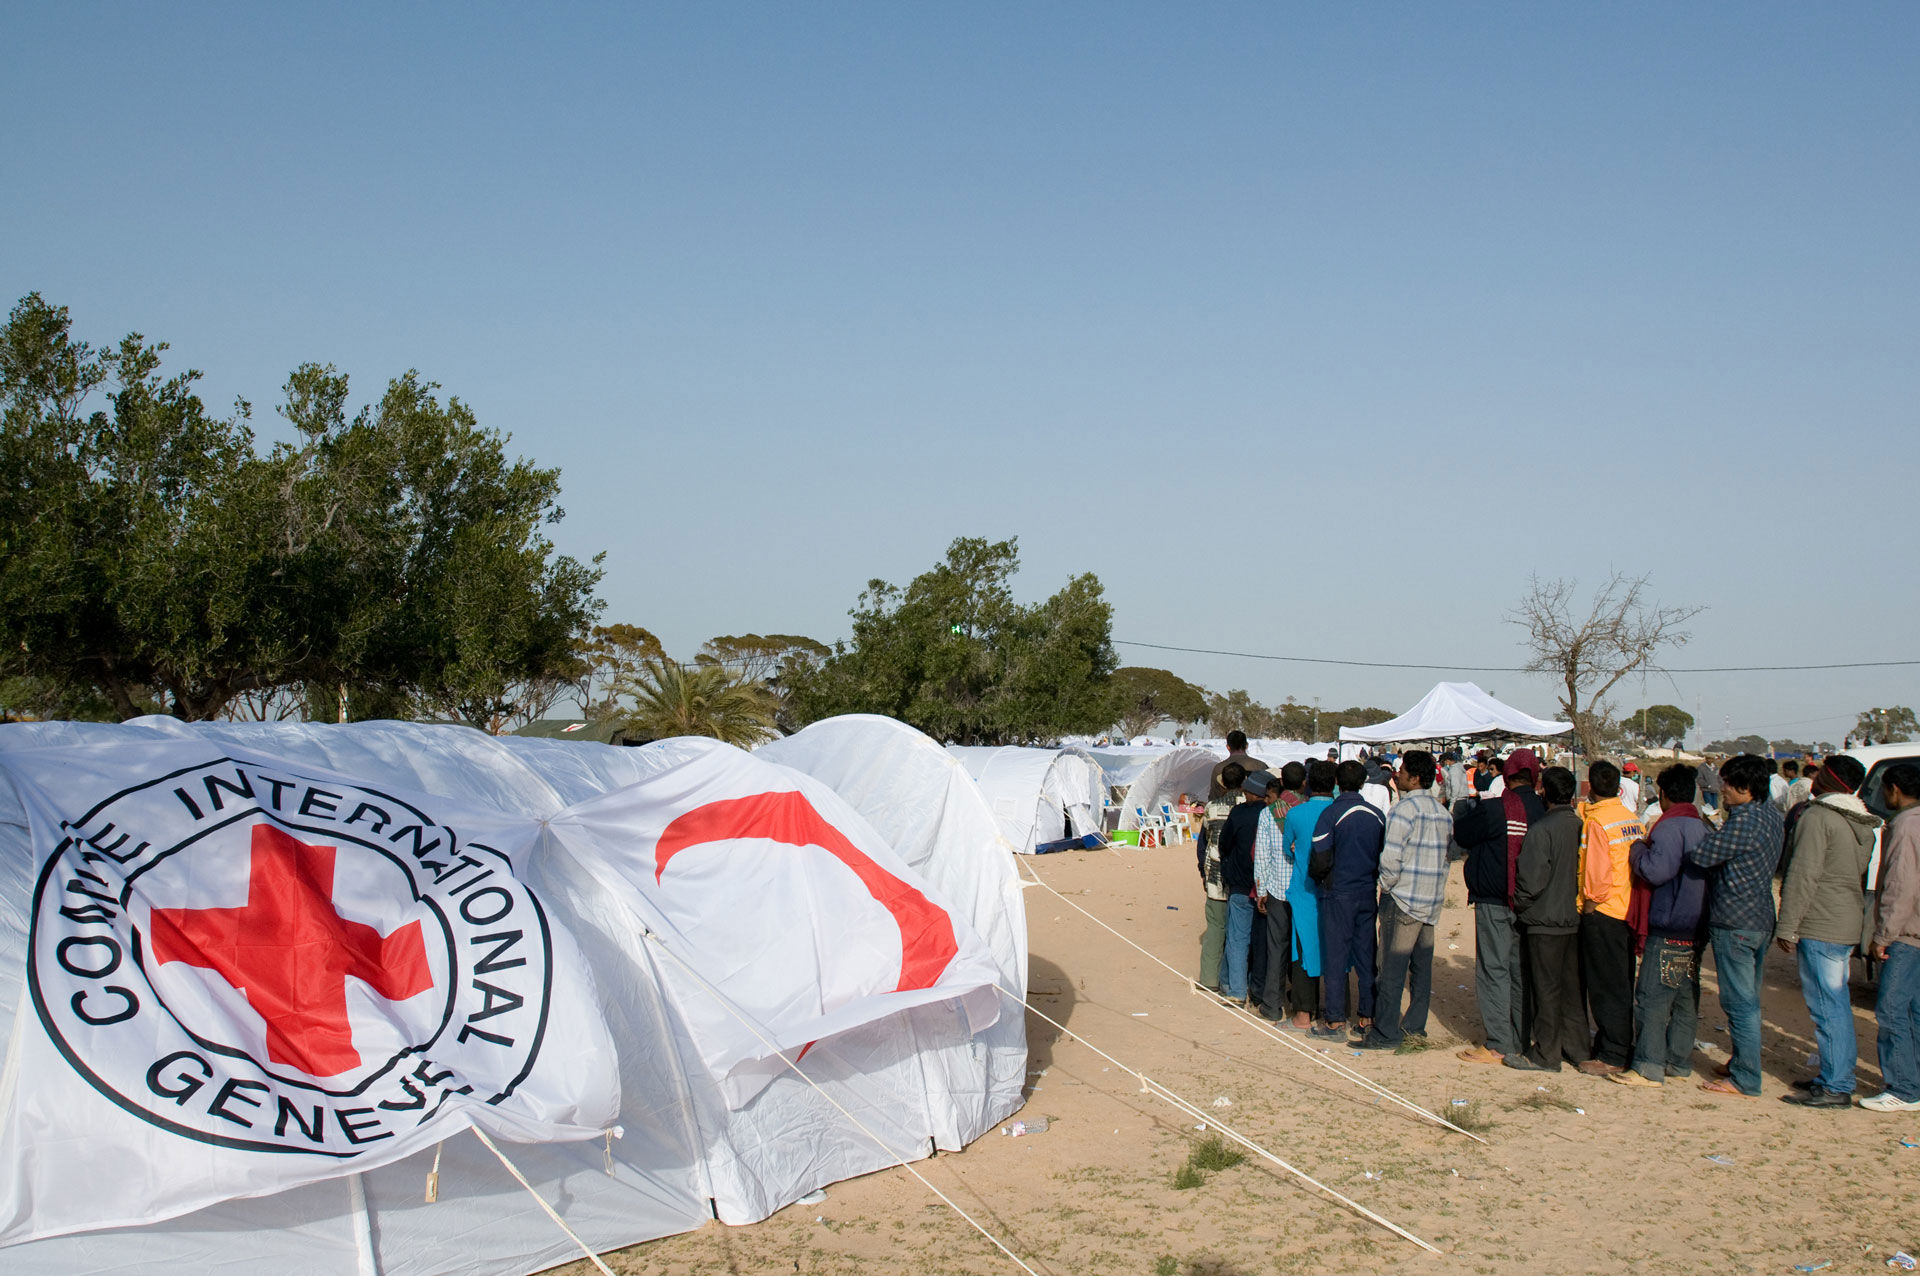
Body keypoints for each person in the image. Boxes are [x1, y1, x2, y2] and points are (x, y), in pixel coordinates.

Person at [1776, 756, 1879, 1107]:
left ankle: (1837, 1084)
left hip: (1822, 922)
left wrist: (1787, 926)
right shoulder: (1860, 821)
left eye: (1820, 772)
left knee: (1827, 1006)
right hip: (1845, 919)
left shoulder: (1819, 816)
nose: (1814, 777)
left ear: (1830, 779)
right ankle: (1833, 1075)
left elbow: (1803, 874)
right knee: (1835, 1004)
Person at [1686, 754, 1786, 1098]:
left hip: (1736, 920)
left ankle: (1746, 1078)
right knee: (1749, 998)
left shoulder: (1744, 823)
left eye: (1726, 784)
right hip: (1758, 916)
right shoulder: (1771, 815)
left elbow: (1702, 855)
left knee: (1740, 1002)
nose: (1722, 790)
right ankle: (1743, 1061)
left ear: (1744, 788)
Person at [1612, 764, 1711, 1088]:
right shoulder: (1702, 826)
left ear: (1664, 795)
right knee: (1684, 997)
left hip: (1669, 923)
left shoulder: (1669, 828)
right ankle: (1677, 1061)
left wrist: (1638, 850)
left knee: (1653, 998)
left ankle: (1649, 1065)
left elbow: (1656, 871)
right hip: (1694, 925)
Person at [1454, 748, 1544, 1065]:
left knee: (1494, 970)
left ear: (1506, 775)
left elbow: (1463, 832)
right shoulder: (1542, 810)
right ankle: (1519, 1037)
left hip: (1494, 898)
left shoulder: (1495, 810)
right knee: (1519, 972)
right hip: (1530, 902)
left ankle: (1499, 1043)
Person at [1357, 750, 1451, 1050]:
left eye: (1403, 771)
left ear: (1415, 778)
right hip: (1430, 899)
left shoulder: (1403, 811)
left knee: (1392, 968)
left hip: (1402, 899)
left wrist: (1385, 886)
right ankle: (1414, 1028)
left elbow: (1391, 857)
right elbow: (1447, 859)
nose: (1397, 775)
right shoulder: (1442, 813)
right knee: (1421, 970)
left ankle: (1385, 1032)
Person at [1508, 766, 1586, 1071]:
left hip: (1545, 920)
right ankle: (1577, 1049)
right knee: (1571, 990)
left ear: (1544, 793)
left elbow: (1531, 880)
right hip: (1573, 918)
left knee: (1546, 990)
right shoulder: (1580, 825)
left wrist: (1522, 907)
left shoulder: (1542, 830)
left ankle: (1546, 1053)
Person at [1308, 760, 1387, 1040]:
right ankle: (1366, 1017)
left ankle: (1334, 1022)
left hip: (1338, 893)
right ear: (1363, 783)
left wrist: (1322, 879)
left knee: (1336, 956)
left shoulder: (1330, 814)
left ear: (1338, 784)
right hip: (1367, 890)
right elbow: (1381, 854)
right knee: (1366, 954)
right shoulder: (1376, 814)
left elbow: (1320, 857)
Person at [1576, 761, 1643, 1076]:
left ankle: (1612, 1054)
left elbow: (1597, 873)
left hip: (1604, 911)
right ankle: (1617, 1046)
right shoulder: (1632, 820)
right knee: (1621, 982)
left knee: (1605, 987)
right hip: (1626, 908)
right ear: (1619, 787)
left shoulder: (1598, 822)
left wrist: (1589, 905)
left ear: (1590, 786)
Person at [1863, 762, 1920, 1111]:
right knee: (1913, 1011)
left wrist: (1882, 934)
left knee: (1892, 1009)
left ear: (1894, 790)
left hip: (1907, 933)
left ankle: (1902, 1087)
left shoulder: (1905, 825)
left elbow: (1900, 886)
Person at [1254, 762, 1313, 1026]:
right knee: (1302, 949)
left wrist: (1261, 889)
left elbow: (1262, 855)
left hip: (1277, 889)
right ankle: (1304, 1006)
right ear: (1303, 784)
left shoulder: (1268, 814)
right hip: (1303, 889)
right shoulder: (1308, 811)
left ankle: (1272, 1005)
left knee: (1276, 948)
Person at [1280, 761, 1336, 1030]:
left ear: (1309, 784)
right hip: (1336, 892)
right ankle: (1338, 1014)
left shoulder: (1296, 814)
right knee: (1337, 953)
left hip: (1304, 891)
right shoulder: (1340, 812)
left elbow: (1288, 850)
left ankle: (1303, 1015)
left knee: (1304, 952)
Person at [1215, 768, 1270, 1006]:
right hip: (1265, 887)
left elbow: (1224, 843)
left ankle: (1236, 990)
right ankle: (1247, 987)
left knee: (1237, 938)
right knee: (1258, 940)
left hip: (1240, 883)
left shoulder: (1239, 814)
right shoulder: (1270, 813)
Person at [1196, 763, 1246, 993]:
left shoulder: (1212, 808)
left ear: (1223, 784)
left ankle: (1209, 979)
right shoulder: (1249, 806)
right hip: (1242, 879)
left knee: (1215, 928)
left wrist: (1202, 870)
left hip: (1215, 877)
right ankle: (1237, 981)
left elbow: (1204, 841)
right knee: (1240, 931)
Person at [1209, 731, 1267, 800]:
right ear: (1246, 745)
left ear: (1228, 747)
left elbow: (1214, 796)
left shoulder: (1219, 768)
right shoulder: (1260, 766)